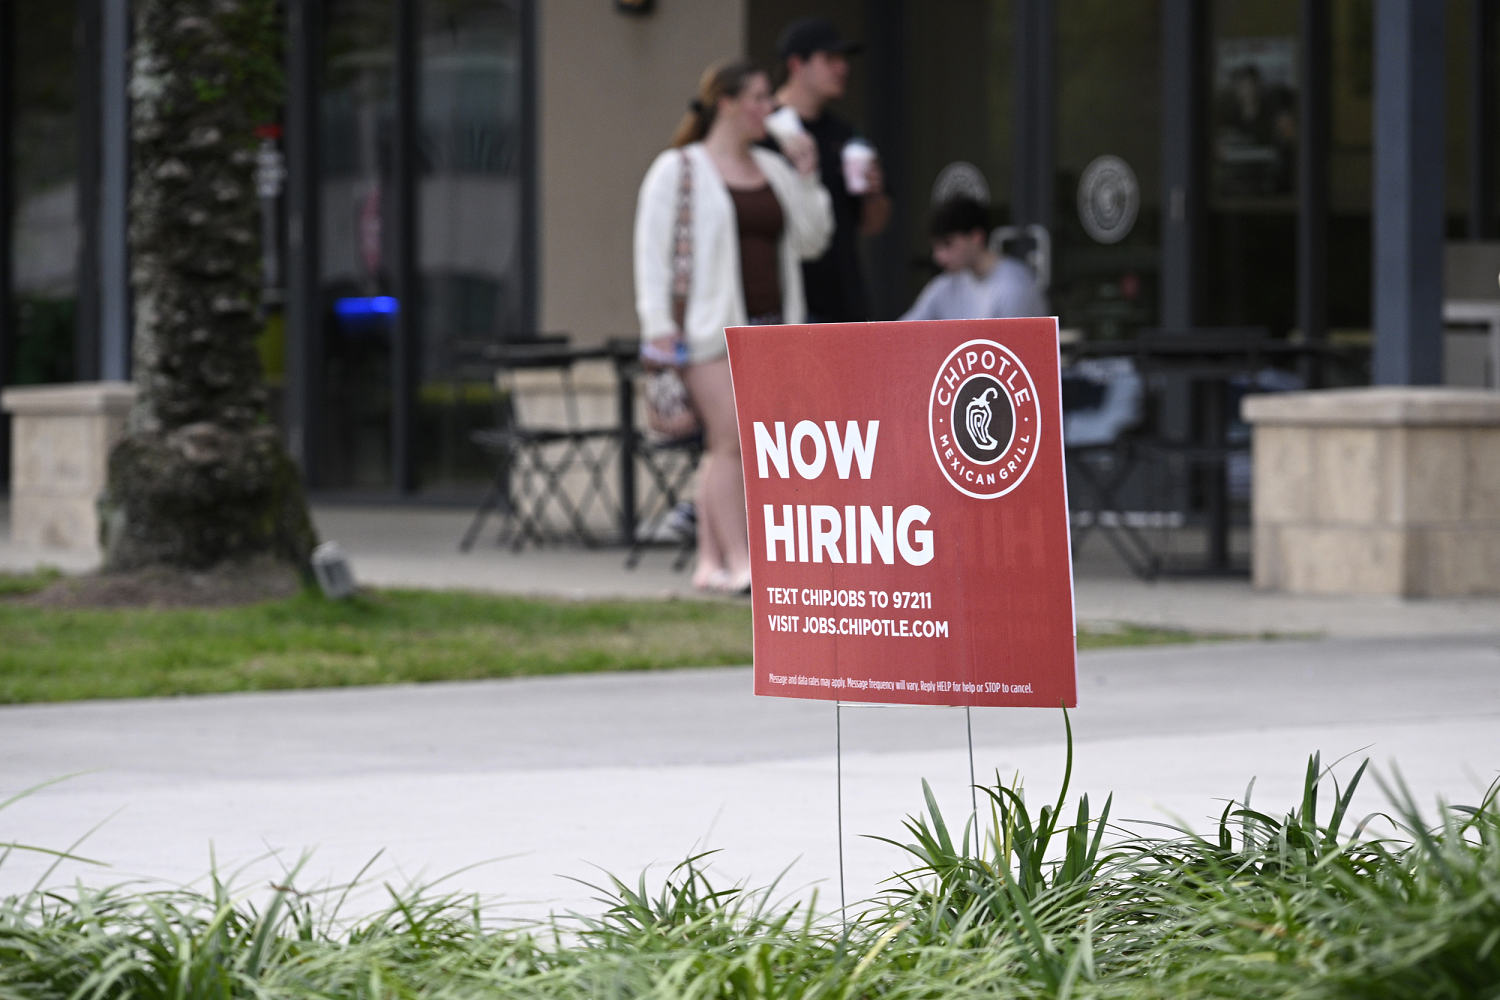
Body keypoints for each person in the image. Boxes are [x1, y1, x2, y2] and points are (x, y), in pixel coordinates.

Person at [633, 59, 833, 594]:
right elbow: (651, 255)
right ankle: (743, 562)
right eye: (760, 98)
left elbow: (814, 238)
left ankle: (708, 563)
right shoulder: (679, 169)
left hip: (773, 328)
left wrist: (807, 170)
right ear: (727, 102)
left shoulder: (774, 169)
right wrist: (658, 330)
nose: (769, 110)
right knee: (734, 443)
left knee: (738, 445)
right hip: (708, 334)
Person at [769, 16, 890, 322]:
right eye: (830, 58)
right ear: (797, 64)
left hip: (844, 296)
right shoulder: (766, 131)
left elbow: (872, 225)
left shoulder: (846, 135)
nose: (842, 68)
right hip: (784, 296)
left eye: (843, 59)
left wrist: (873, 193)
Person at [900, 196, 1047, 322]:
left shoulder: (1014, 286)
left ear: (977, 237)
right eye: (935, 247)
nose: (939, 256)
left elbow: (1017, 351)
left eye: (947, 244)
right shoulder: (945, 284)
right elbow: (902, 332)